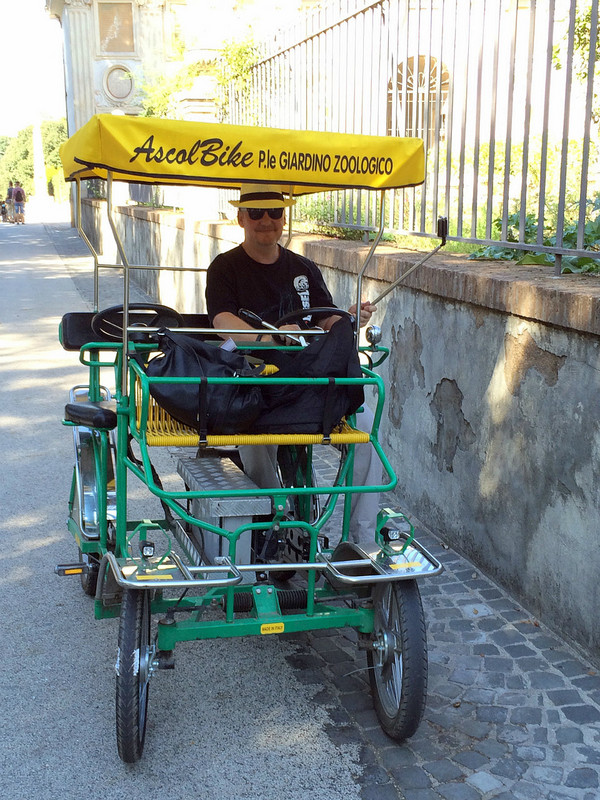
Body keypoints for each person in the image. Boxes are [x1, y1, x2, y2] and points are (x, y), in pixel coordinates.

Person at [206, 184, 382, 544]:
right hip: (255, 377)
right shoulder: (225, 268)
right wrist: (273, 337)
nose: (266, 221)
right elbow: (223, 322)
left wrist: (348, 318)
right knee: (253, 435)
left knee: (367, 421)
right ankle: (276, 518)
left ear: (284, 217)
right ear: (241, 218)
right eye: (256, 213)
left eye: (274, 212)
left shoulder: (303, 267)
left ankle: (360, 540)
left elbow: (326, 320)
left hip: (308, 377)